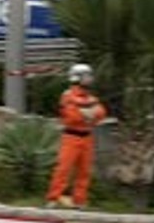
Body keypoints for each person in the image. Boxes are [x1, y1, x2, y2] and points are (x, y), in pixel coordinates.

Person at [46, 63, 110, 209]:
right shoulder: (68, 95)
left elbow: (101, 114)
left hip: (87, 137)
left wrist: (84, 111)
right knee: (63, 169)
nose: (90, 78)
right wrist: (88, 112)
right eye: (87, 75)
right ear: (77, 77)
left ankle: (79, 201)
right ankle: (53, 198)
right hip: (71, 137)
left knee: (84, 171)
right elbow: (71, 117)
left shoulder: (90, 97)